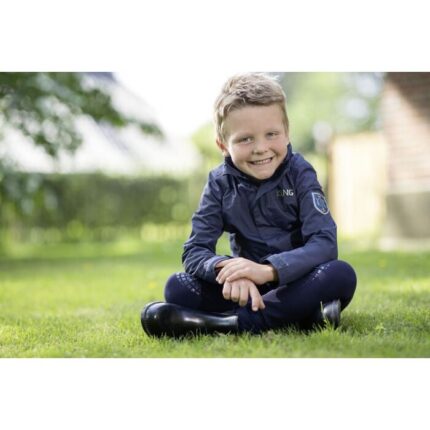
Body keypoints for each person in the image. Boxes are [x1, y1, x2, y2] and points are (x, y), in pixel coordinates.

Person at [141, 72, 357, 338]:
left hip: (298, 282)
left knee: (340, 274)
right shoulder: (219, 183)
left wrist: (268, 271)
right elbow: (195, 250)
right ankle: (302, 316)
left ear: (287, 134)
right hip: (245, 290)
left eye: (271, 134)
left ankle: (229, 323)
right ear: (223, 145)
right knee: (178, 286)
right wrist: (229, 271)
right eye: (245, 139)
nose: (260, 148)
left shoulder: (300, 172)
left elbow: (324, 244)